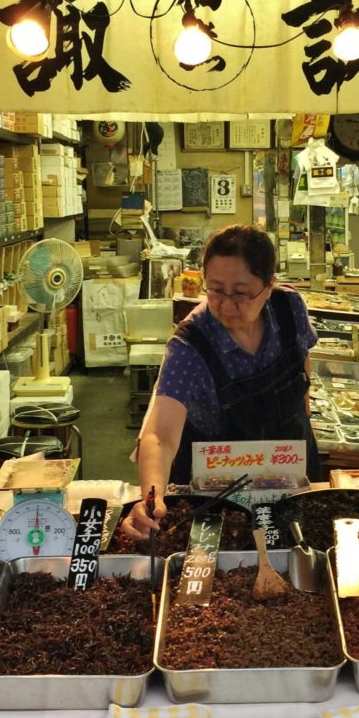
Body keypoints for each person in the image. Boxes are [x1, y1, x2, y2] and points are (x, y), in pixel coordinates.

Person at [123, 224, 319, 539]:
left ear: (268, 286)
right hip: (219, 491)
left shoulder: (289, 307)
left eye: (241, 293)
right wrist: (150, 497)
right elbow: (159, 435)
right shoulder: (190, 345)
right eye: (215, 290)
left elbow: (303, 360)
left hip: (289, 469)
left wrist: (304, 416)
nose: (226, 306)